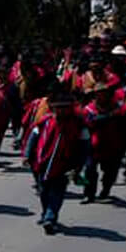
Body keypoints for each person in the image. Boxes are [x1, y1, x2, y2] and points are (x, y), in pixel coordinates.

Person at [25, 91, 86, 235]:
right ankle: (46, 213)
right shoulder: (44, 121)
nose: (61, 110)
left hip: (64, 165)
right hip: (42, 163)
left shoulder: (79, 124)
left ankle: (50, 218)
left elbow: (84, 147)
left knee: (57, 193)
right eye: (58, 107)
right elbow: (33, 138)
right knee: (43, 191)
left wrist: (79, 165)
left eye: (65, 107)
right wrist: (27, 155)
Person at [79, 85, 126, 203]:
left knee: (110, 172)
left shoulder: (119, 108)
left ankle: (105, 192)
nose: (102, 96)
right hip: (93, 146)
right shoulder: (89, 109)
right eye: (99, 93)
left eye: (104, 93)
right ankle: (88, 194)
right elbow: (88, 123)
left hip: (113, 145)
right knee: (89, 170)